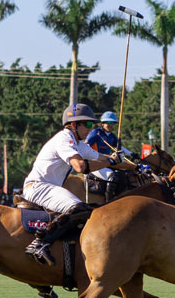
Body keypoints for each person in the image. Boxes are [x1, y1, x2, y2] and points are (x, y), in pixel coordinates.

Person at [21, 103, 134, 264]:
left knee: (86, 209)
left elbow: (101, 158)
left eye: (91, 125)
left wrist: (135, 166)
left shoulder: (78, 144)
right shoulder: (64, 138)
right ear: (73, 125)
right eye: (87, 124)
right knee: (78, 207)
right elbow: (80, 166)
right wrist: (109, 162)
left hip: (49, 188)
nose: (89, 128)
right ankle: (40, 243)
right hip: (38, 187)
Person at [86, 111, 135, 200]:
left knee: (124, 174)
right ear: (102, 123)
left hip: (106, 163)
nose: (110, 125)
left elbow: (119, 148)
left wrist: (131, 154)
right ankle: (109, 202)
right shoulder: (96, 133)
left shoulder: (112, 136)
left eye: (112, 123)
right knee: (112, 176)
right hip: (94, 164)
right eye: (107, 122)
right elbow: (86, 146)